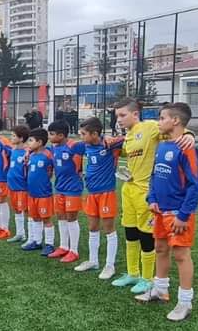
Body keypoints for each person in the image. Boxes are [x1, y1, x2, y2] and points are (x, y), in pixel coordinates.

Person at [110, 99, 195, 296]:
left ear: (135, 114)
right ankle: (132, 273)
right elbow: (130, 154)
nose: (119, 120)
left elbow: (176, 129)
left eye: (122, 115)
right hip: (129, 189)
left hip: (146, 193)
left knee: (146, 236)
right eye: (117, 116)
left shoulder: (148, 127)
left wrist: (190, 135)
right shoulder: (129, 135)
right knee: (130, 233)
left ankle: (147, 279)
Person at [136, 103, 198, 322]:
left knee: (181, 255)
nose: (159, 122)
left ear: (175, 120)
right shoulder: (163, 146)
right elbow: (155, 176)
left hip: (178, 213)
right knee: (160, 248)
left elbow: (196, 184)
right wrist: (152, 198)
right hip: (160, 211)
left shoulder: (188, 148)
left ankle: (185, 302)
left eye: (162, 118)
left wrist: (184, 215)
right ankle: (160, 289)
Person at [74, 117, 122, 278]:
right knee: (92, 227)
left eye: (83, 134)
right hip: (92, 193)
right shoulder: (86, 146)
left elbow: (129, 137)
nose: (81, 137)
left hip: (106, 193)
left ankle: (110, 265)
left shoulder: (109, 145)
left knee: (109, 229)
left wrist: (110, 137)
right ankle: (93, 261)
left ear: (95, 134)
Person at [46, 120, 85, 264]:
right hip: (59, 187)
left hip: (73, 188)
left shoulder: (74, 146)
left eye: (52, 134)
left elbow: (92, 143)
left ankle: (74, 250)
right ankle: (63, 246)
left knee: (71, 218)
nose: (49, 137)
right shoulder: (53, 147)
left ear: (61, 135)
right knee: (61, 217)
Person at [20, 128, 56, 256]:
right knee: (35, 218)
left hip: (44, 194)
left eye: (31, 140)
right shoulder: (31, 155)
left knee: (46, 219)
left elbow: (54, 168)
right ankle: (37, 241)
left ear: (40, 142)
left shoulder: (48, 154)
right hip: (32, 193)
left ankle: (49, 244)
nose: (28, 143)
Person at [5, 125, 31, 243]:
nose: (11, 138)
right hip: (12, 185)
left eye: (14, 136)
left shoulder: (27, 152)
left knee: (26, 211)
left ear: (21, 138)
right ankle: (20, 234)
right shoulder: (13, 150)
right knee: (16, 210)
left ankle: (31, 237)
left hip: (22, 187)